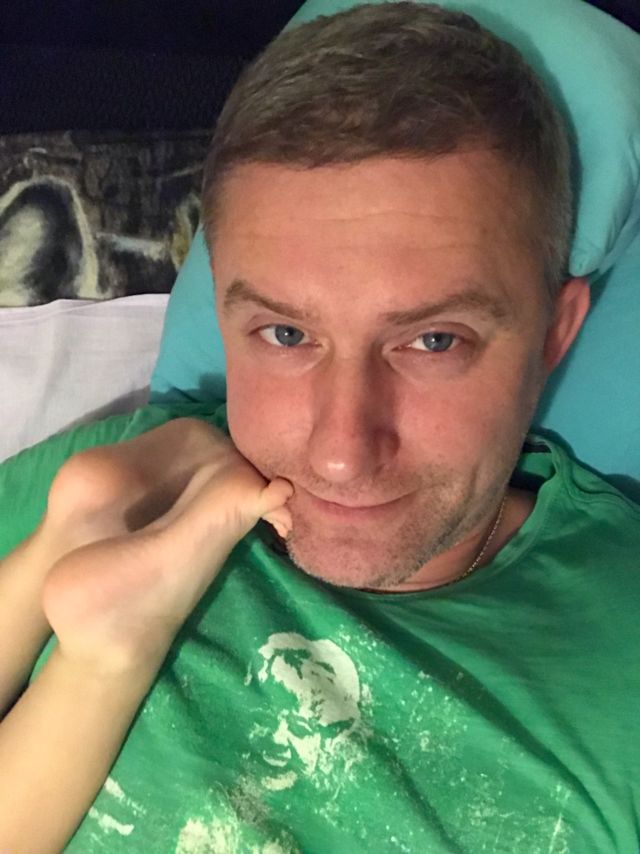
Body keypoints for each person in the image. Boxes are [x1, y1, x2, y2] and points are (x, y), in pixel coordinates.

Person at [0, 2, 638, 851]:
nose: (341, 453)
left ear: (554, 333)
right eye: (285, 335)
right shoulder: (109, 489)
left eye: (433, 341)